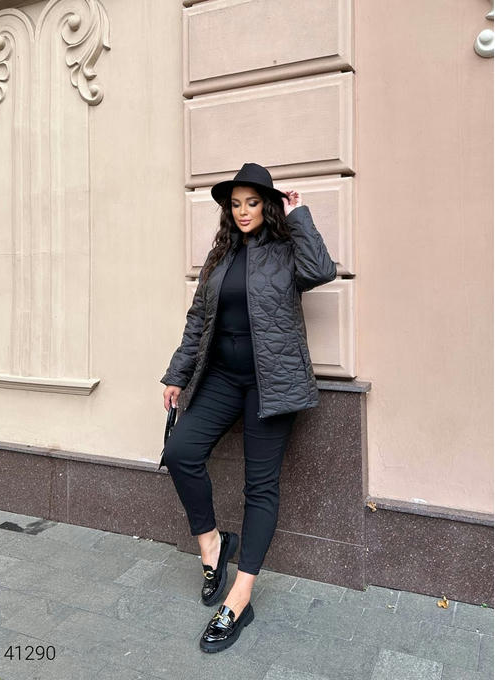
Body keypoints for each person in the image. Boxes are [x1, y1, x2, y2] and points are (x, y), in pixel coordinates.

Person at [160, 162, 336, 653]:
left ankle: (239, 597)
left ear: (267, 206)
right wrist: (177, 374)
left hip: (270, 383)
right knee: (180, 453)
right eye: (235, 204)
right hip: (220, 377)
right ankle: (213, 543)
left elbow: (321, 271)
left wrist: (299, 217)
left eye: (252, 203)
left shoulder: (285, 248)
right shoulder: (220, 254)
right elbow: (198, 319)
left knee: (260, 486)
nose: (243, 212)